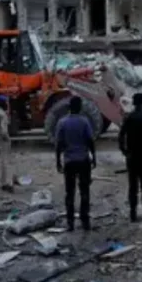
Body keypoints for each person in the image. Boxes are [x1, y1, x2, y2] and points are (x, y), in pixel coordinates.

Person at [55, 96, 97, 231]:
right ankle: (85, 222)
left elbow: (59, 144)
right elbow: (90, 141)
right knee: (84, 191)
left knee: (70, 192)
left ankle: (70, 222)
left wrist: (58, 161)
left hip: (69, 161)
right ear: (79, 107)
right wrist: (94, 157)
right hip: (83, 160)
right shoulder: (84, 122)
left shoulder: (62, 122)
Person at [118, 93, 142, 222]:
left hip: (132, 157)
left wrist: (124, 151)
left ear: (134, 103)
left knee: (133, 186)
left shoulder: (129, 118)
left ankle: (133, 214)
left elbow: (121, 136)